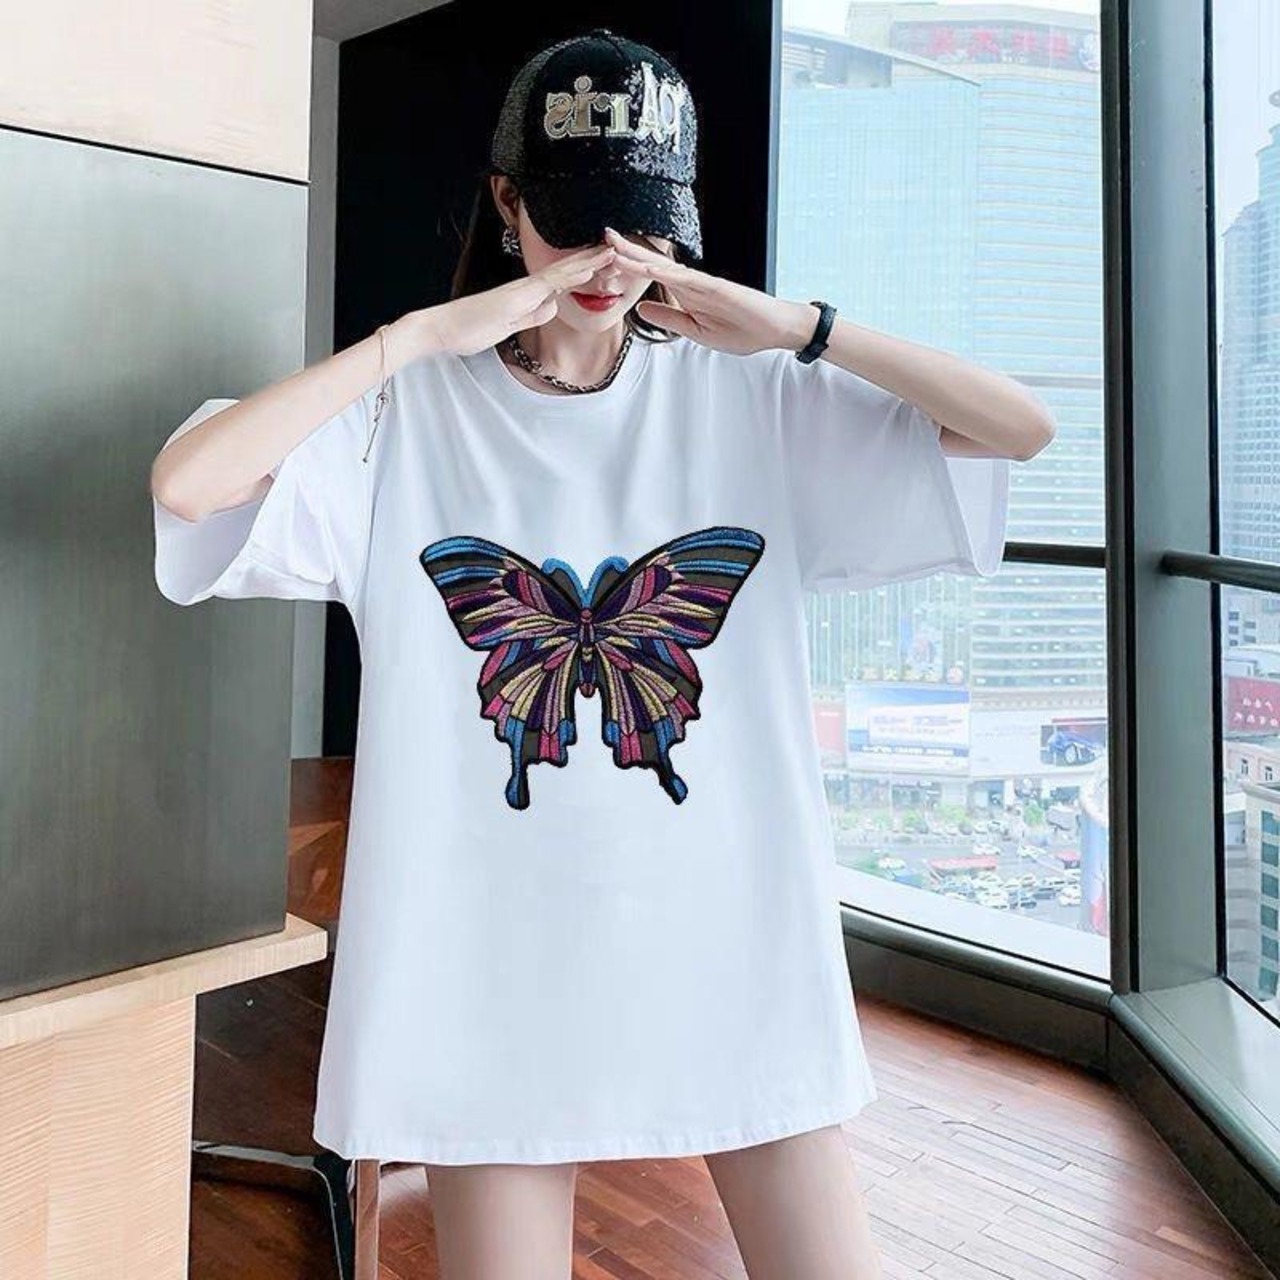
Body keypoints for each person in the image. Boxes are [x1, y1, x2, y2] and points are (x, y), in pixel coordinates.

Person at [150, 27, 1051, 1280]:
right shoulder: (402, 415)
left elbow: (1019, 429)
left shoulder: (754, 398)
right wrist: (412, 339)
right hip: (487, 955)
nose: (607, 262)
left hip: (728, 931)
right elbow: (189, 484)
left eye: (639, 226)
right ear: (506, 202)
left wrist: (799, 326)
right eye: (573, 223)